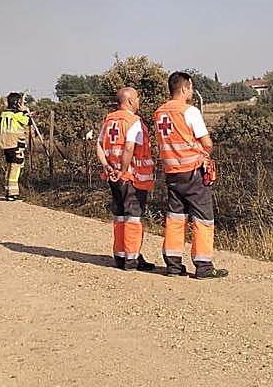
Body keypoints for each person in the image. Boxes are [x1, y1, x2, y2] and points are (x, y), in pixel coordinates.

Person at [153, 72, 228, 279]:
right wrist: (205, 152)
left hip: (171, 172)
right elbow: (207, 143)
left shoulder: (159, 113)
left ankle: (173, 266)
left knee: (175, 218)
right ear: (185, 88)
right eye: (191, 88)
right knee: (203, 218)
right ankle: (204, 267)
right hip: (193, 172)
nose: (192, 92)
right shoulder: (190, 111)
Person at [96, 86, 157, 271]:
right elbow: (129, 148)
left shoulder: (109, 120)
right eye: (137, 98)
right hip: (131, 177)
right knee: (133, 217)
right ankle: (132, 259)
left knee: (120, 216)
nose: (139, 101)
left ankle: (120, 256)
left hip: (112, 175)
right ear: (130, 101)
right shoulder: (133, 121)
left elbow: (98, 145)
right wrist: (122, 170)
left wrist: (107, 166)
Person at [0, 92, 33, 201]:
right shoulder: (17, 115)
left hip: (6, 144)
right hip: (16, 143)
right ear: (16, 103)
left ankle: (8, 191)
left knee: (9, 167)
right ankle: (12, 194)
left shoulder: (5, 114)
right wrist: (25, 112)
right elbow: (28, 122)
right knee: (15, 168)